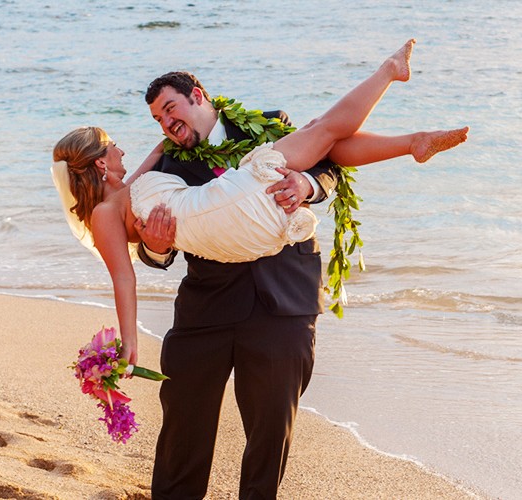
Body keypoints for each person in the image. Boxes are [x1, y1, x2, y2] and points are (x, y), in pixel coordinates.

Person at [53, 39, 467, 499]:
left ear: (199, 95)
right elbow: (148, 251)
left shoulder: (270, 125)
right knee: (183, 425)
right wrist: (154, 245)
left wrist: (306, 185)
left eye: (172, 109)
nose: (168, 125)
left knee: (272, 431)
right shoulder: (166, 163)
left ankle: (410, 130)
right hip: (208, 308)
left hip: (282, 299)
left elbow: (329, 166)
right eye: (158, 120)